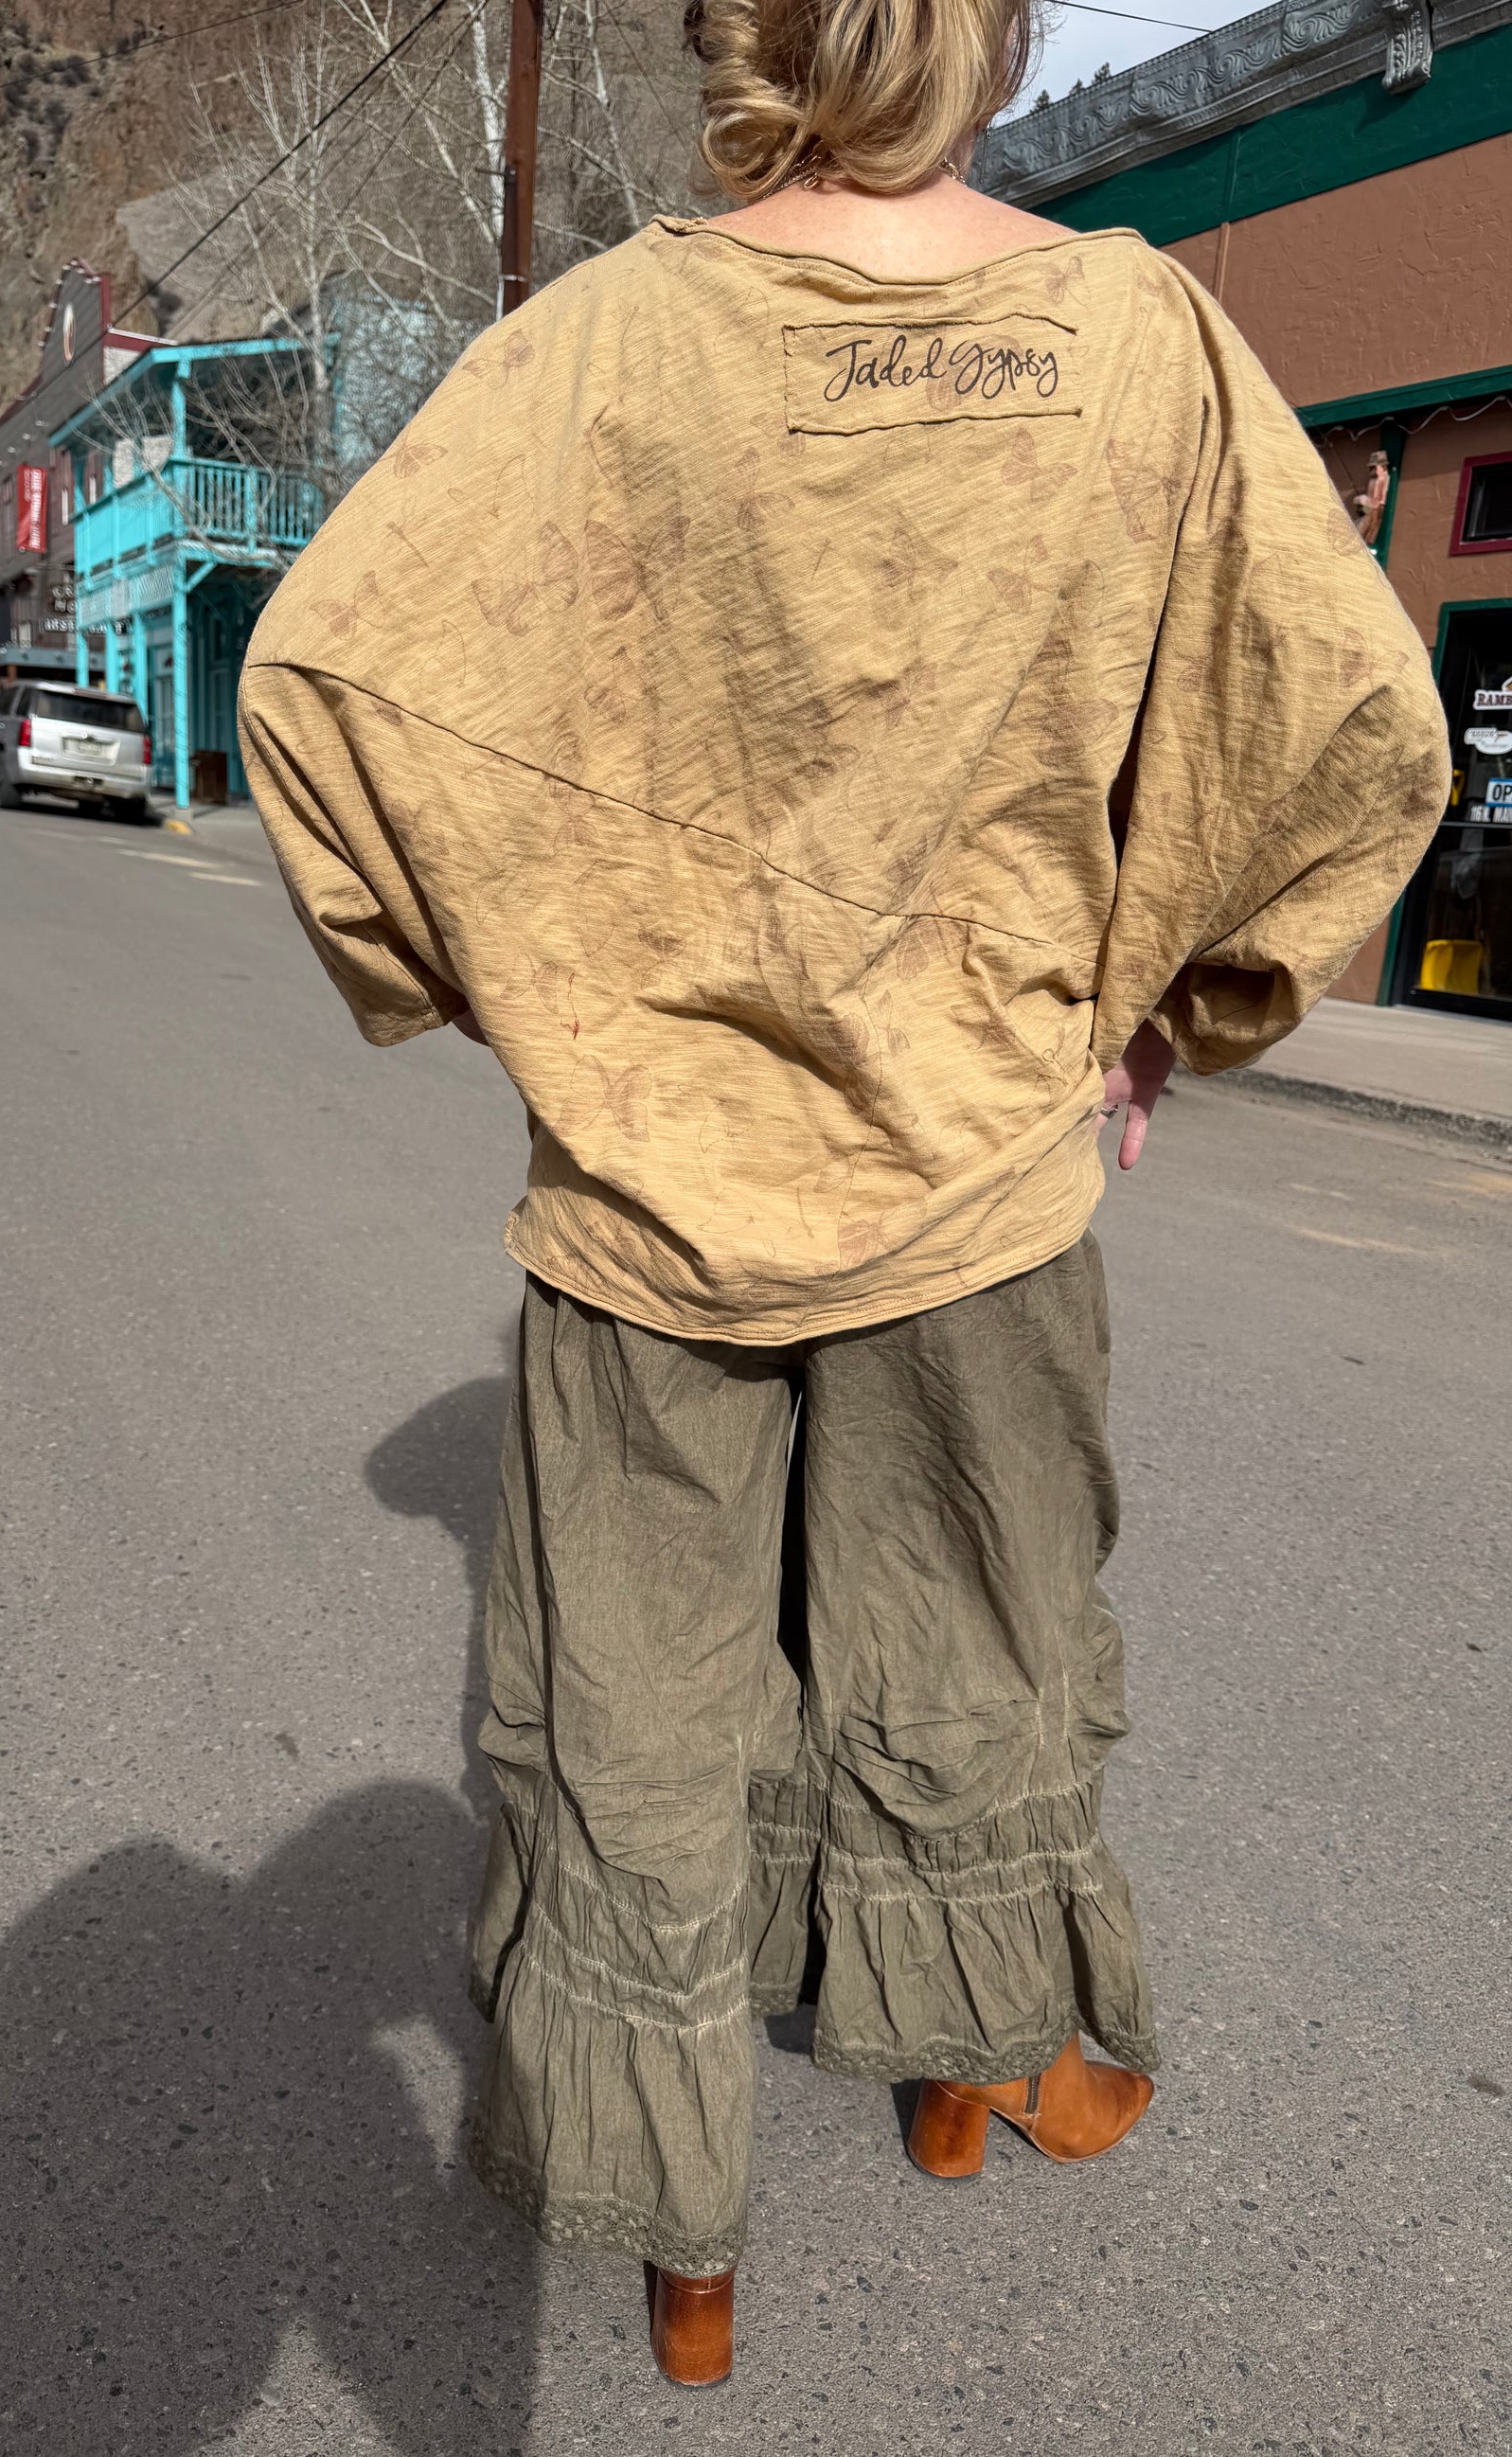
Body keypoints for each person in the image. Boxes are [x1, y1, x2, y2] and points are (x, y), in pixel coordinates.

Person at [238, 0, 1450, 2391]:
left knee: (640, 1725)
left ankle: (687, 2254)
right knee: (962, 1649)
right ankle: (974, 2067)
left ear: (739, 36)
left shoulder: (598, 343)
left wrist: (536, 994)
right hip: (979, 1183)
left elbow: (321, 685)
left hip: (644, 1211)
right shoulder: (1134, 339)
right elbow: (1343, 724)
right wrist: (1159, 1004)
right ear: (989, 39)